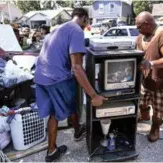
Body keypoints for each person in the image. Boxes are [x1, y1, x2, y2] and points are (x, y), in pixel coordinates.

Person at [34, 8, 107, 162]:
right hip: (56, 78)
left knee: (55, 111)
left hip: (41, 76)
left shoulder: (58, 28)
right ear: (85, 19)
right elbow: (77, 67)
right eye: (88, 21)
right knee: (69, 106)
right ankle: (76, 133)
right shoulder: (77, 30)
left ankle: (54, 149)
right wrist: (93, 95)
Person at [135, 12, 163, 142]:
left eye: (139, 27)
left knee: (159, 111)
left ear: (147, 24)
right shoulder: (140, 37)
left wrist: (151, 63)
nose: (138, 30)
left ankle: (155, 128)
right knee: (141, 102)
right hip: (146, 79)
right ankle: (145, 115)